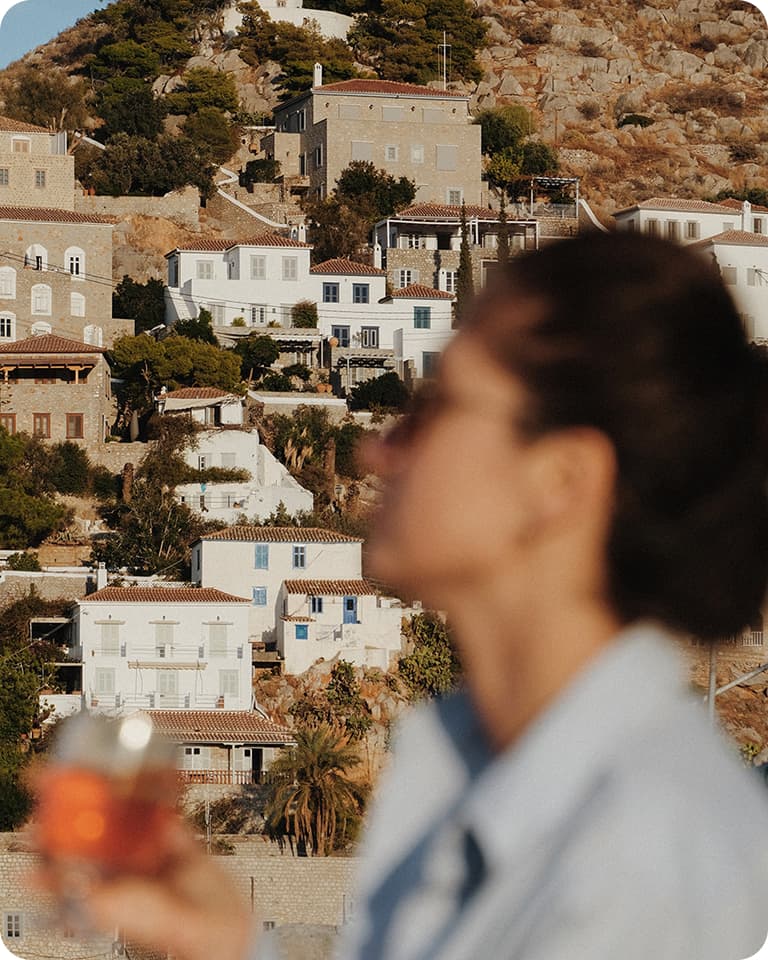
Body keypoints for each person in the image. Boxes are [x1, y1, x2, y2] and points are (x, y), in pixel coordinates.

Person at [56, 233, 768, 960]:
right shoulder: (475, 772)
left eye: (438, 406)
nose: (379, 449)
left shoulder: (650, 859)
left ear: (560, 478)